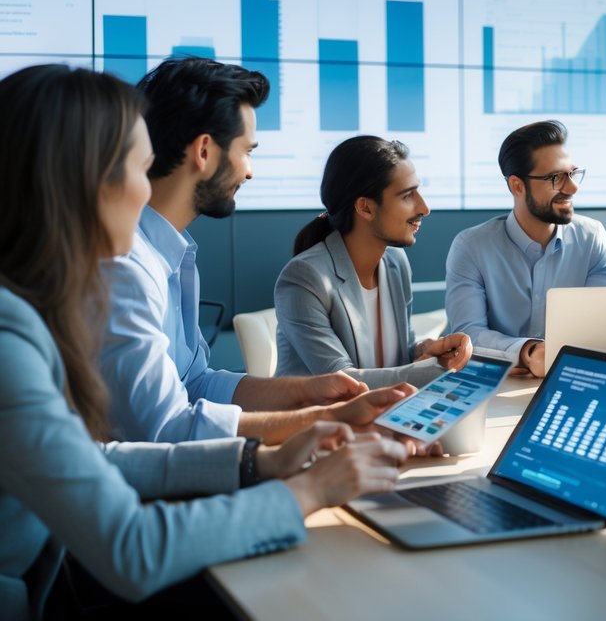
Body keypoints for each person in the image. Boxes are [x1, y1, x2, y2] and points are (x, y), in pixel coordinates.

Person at [0, 65, 408, 618]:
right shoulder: (13, 336)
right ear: (88, 182)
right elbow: (133, 548)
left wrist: (260, 462)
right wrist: (308, 490)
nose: (146, 192)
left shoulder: (32, 307)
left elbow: (97, 459)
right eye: (141, 168)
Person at [99, 57, 406, 444]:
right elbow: (166, 428)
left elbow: (196, 384)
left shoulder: (169, 257)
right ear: (205, 151)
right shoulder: (127, 269)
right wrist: (324, 420)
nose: (249, 171)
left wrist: (307, 392)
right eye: (247, 150)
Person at [275, 136, 472, 387]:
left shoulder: (395, 263)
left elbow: (398, 355)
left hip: (380, 419)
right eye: (407, 195)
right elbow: (344, 383)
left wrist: (427, 350)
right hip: (319, 423)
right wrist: (440, 371)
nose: (424, 207)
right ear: (365, 208)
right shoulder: (304, 278)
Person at [446, 120, 606, 376]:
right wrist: (529, 352)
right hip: (495, 388)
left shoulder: (591, 237)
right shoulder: (471, 247)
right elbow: (468, 335)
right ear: (517, 186)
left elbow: (604, 323)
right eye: (556, 178)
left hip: (570, 380)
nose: (572, 187)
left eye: (573, 173)